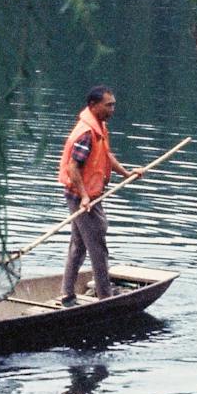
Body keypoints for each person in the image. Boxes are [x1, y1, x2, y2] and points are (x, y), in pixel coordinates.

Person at [56, 85, 137, 304]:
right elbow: (73, 168)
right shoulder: (85, 133)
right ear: (93, 105)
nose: (113, 109)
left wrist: (127, 174)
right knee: (97, 246)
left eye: (114, 105)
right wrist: (83, 196)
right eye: (108, 105)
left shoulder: (98, 127)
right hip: (83, 197)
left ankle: (67, 293)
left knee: (79, 244)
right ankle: (105, 295)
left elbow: (105, 155)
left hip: (89, 195)